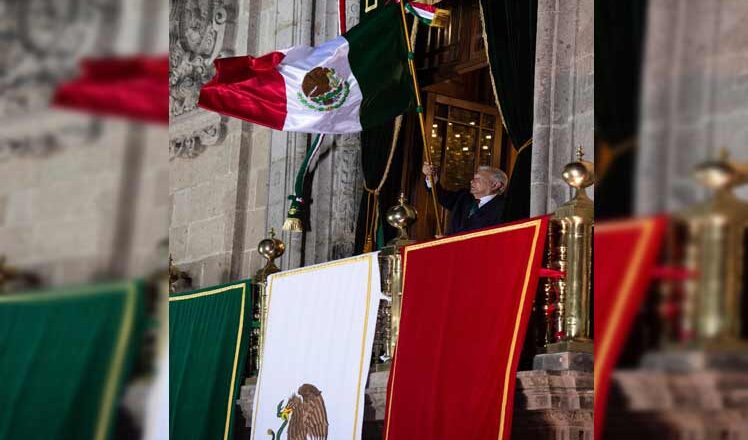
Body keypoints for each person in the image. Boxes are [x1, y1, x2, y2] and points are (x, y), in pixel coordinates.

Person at [422, 162, 507, 235]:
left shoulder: (504, 209)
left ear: (495, 185)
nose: (471, 181)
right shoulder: (463, 197)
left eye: (477, 179)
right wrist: (431, 178)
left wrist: (449, 240)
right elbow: (439, 194)